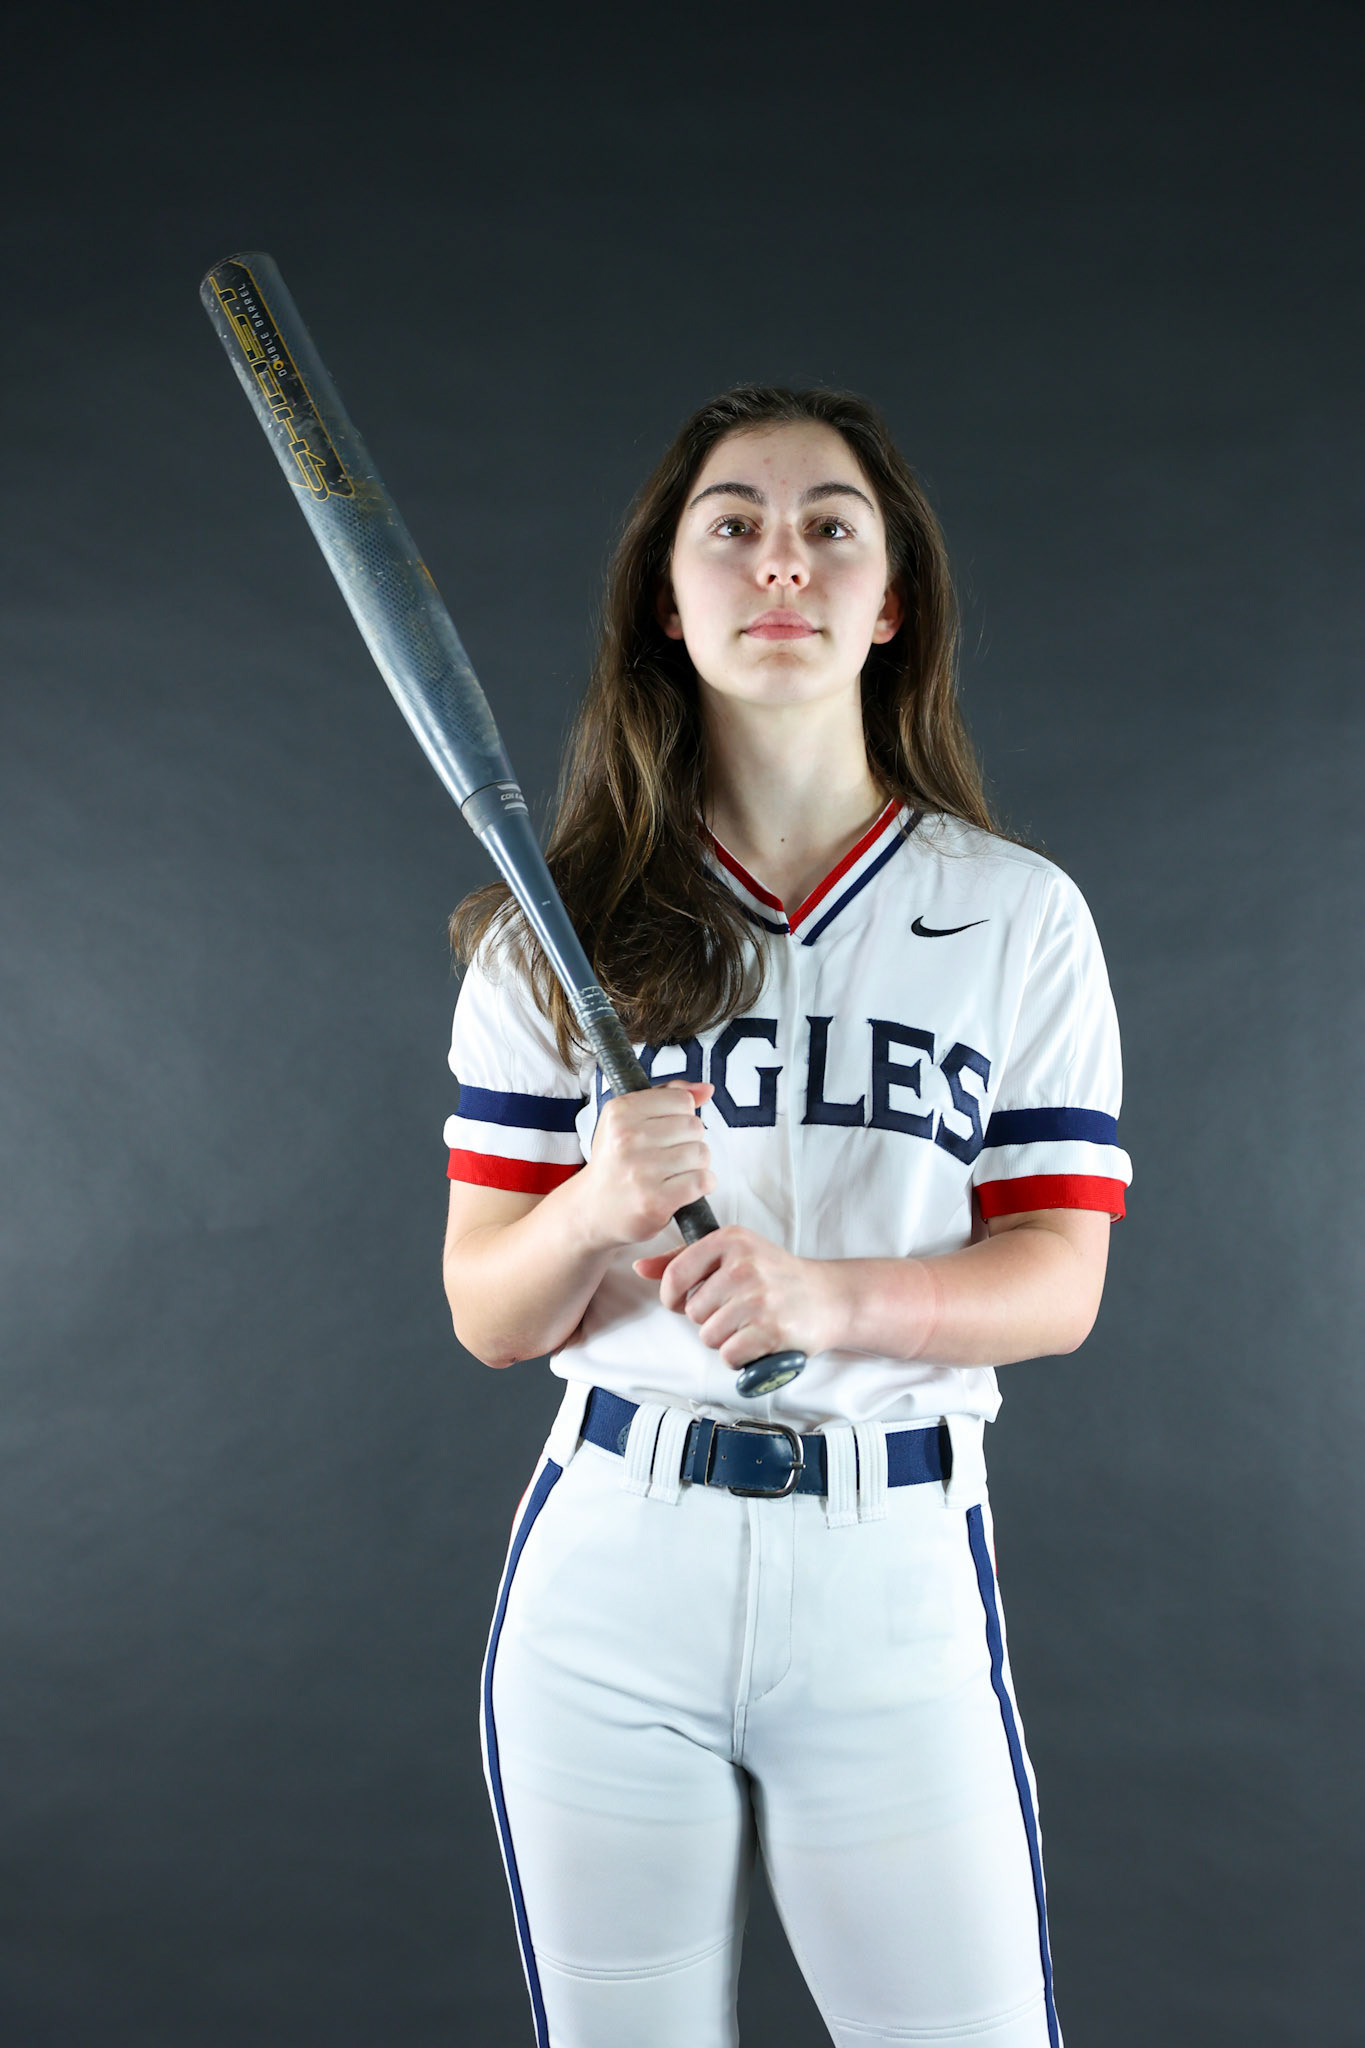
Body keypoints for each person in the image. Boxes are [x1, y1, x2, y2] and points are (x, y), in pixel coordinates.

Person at [441, 385, 1130, 2048]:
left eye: (831, 525)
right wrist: (598, 1201)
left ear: (887, 604)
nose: (780, 559)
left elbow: (1057, 1279)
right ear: (666, 603)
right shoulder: (551, 933)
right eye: (729, 525)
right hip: (613, 1568)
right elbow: (489, 1312)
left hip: (886, 1565)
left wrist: (823, 1299)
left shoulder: (1011, 912)